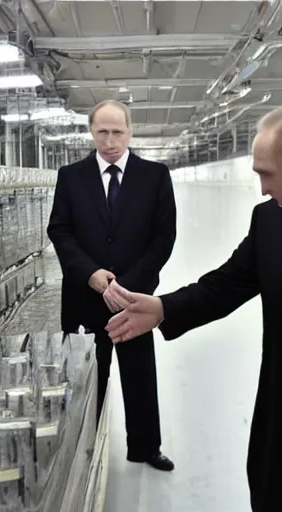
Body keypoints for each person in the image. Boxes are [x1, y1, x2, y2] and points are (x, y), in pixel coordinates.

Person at [104, 106, 282, 512]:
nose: (262, 189)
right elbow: (226, 284)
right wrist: (164, 308)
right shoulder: (269, 222)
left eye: (267, 174)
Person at [47, 99, 177, 471]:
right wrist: (90, 274)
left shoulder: (155, 176)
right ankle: (86, 445)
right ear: (91, 132)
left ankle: (145, 446)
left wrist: (126, 286)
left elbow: (163, 237)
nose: (110, 141)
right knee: (88, 377)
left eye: (117, 132)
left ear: (129, 131)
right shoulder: (70, 177)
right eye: (102, 132)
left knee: (139, 374)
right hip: (83, 298)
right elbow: (59, 230)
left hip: (133, 301)